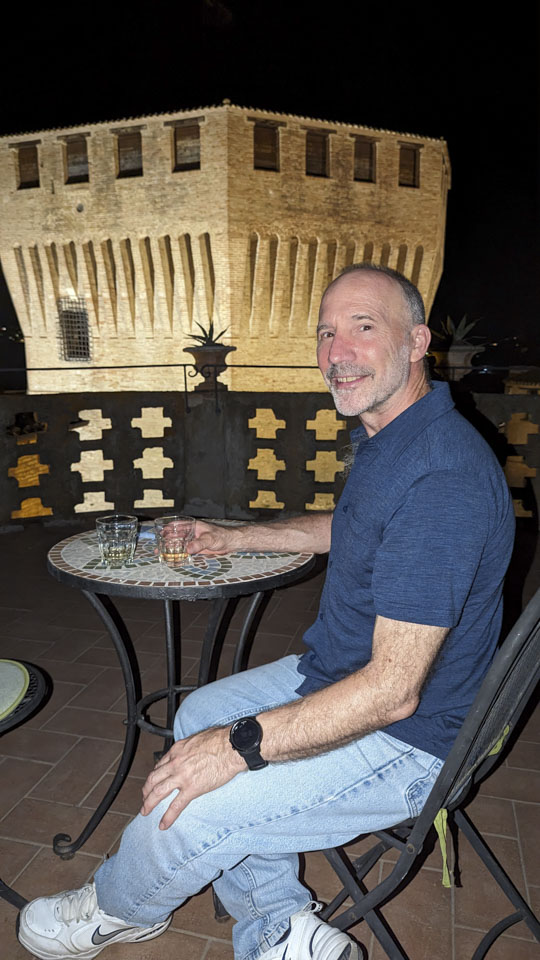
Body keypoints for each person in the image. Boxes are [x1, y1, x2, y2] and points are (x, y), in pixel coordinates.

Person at [18, 265, 515, 960]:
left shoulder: (442, 478)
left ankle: (116, 908)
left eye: (363, 328)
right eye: (326, 332)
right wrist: (238, 536)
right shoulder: (393, 434)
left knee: (195, 805)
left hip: (412, 740)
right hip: (338, 674)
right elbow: (356, 525)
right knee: (195, 716)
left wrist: (240, 746)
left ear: (416, 342)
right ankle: (279, 926)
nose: (337, 352)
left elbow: (393, 692)